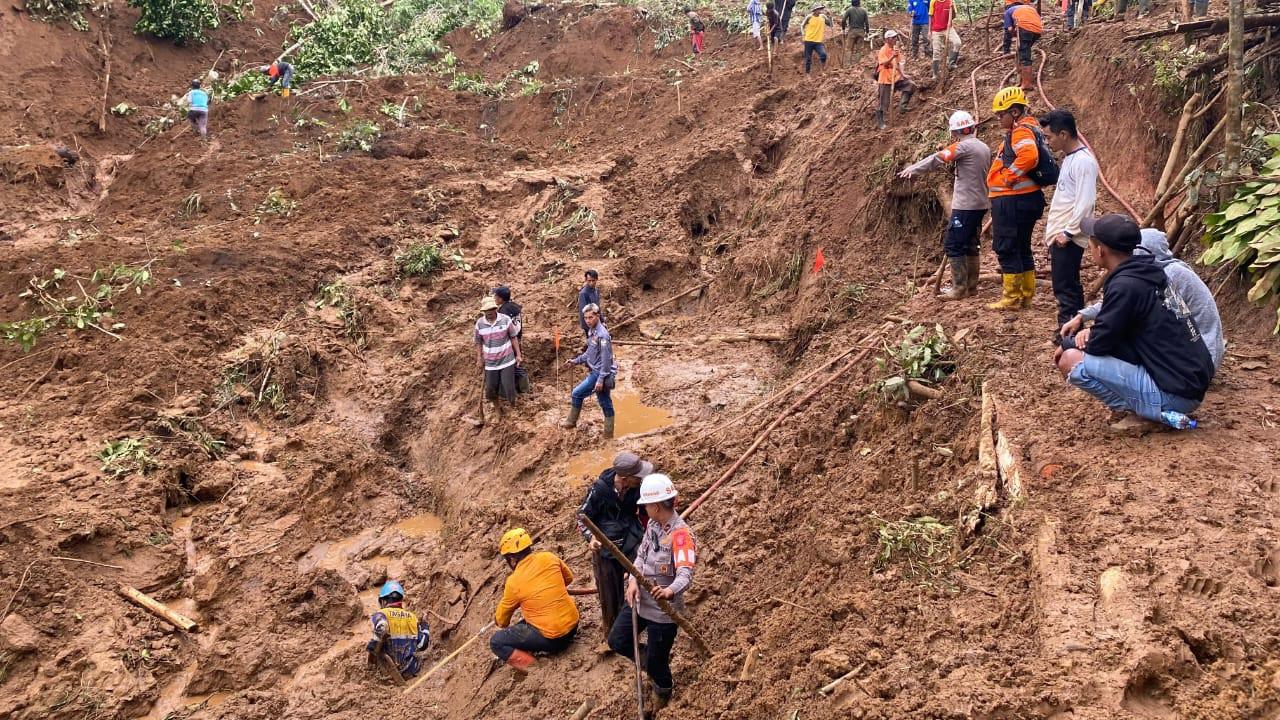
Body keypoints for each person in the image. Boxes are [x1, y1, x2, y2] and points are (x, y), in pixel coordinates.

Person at [1054, 214, 1214, 433]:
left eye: (1090, 245)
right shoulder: (1149, 272)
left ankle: (1152, 413)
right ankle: (1152, 405)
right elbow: (1115, 330)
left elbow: (1100, 344)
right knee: (1090, 347)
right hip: (1189, 383)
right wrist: (1093, 331)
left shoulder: (1126, 286)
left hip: (1177, 395)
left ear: (1100, 250)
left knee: (1069, 359)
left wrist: (1068, 343)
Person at [1066, 228, 1225, 371]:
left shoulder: (1170, 275)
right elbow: (1121, 303)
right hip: (1193, 353)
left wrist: (1095, 332)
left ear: (1144, 251)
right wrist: (1083, 315)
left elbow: (1126, 307)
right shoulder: (1161, 272)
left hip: (1201, 357)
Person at [607, 474, 697, 712]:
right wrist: (633, 580)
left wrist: (669, 591)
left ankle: (663, 689)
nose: (643, 509)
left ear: (656, 506)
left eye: (646, 505)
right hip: (640, 602)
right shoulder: (653, 526)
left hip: (663, 613)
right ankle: (651, 662)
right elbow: (641, 556)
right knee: (617, 640)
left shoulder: (681, 536)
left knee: (659, 666)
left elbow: (685, 575)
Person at [898, 110, 991, 299]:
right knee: (971, 244)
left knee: (954, 244)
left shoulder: (963, 147)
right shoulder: (983, 147)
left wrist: (914, 169)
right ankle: (971, 287)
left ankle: (959, 288)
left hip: (966, 205)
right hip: (980, 203)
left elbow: (938, 158)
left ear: (956, 132)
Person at [576, 451, 655, 634]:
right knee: (609, 593)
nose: (641, 479)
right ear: (626, 479)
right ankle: (612, 631)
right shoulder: (599, 490)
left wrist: (651, 534)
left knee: (646, 575)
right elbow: (582, 517)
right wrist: (591, 537)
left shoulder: (637, 488)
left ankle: (648, 618)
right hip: (605, 542)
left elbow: (646, 513)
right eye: (637, 477)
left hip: (631, 536)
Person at [986, 86, 1047, 311]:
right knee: (1022, 247)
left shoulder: (1021, 131)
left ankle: (1011, 298)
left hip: (1012, 201)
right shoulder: (1032, 129)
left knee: (1007, 247)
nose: (998, 119)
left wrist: (1009, 177)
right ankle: (1026, 295)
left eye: (1000, 114)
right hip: (1024, 200)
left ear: (1014, 112)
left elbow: (1029, 156)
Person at [1039, 109, 1098, 329]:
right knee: (1065, 285)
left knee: (1066, 288)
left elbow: (1086, 202)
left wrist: (1068, 232)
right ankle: (1071, 330)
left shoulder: (1083, 162)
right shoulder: (1070, 160)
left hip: (1069, 237)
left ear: (1063, 134)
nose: (1047, 142)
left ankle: (1068, 334)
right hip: (1061, 235)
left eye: (1049, 137)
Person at [491, 529, 580, 672]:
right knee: (525, 623)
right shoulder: (549, 557)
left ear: (511, 559)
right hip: (573, 625)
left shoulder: (513, 582)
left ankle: (536, 669)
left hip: (553, 639)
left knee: (497, 642)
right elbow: (568, 579)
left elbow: (502, 622)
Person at [563, 303, 618, 438]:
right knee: (605, 402)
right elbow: (589, 352)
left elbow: (606, 359)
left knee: (577, 393)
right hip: (596, 371)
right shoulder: (592, 331)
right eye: (586, 318)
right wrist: (576, 361)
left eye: (590, 317)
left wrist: (600, 379)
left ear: (597, 316)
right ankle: (608, 434)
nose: (588, 321)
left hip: (601, 373)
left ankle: (570, 422)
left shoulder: (602, 335)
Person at [365, 581, 431, 679]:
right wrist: (425, 626)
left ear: (383, 601)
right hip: (410, 671)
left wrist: (371, 655)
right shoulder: (413, 617)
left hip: (386, 673)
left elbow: (382, 627)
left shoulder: (381, 614)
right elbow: (422, 645)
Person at [475, 295, 523, 408]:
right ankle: (497, 409)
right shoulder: (479, 324)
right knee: (490, 389)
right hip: (490, 362)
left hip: (507, 360)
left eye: (491, 309)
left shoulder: (505, 320)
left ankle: (513, 406)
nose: (489, 312)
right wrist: (479, 358)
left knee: (508, 387)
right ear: (483, 311)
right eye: (487, 310)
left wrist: (518, 355)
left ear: (495, 309)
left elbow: (513, 337)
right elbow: (478, 342)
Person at [874, 30, 916, 130]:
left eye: (895, 37)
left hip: (895, 76)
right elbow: (884, 63)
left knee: (910, 85)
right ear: (887, 39)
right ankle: (880, 122)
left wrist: (903, 74)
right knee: (883, 101)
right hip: (885, 78)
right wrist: (892, 56)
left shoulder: (895, 49)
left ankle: (902, 106)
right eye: (893, 38)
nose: (895, 39)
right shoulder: (883, 50)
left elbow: (899, 63)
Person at [492, 286, 530, 393]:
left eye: (496, 296)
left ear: (500, 298)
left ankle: (524, 389)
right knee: (515, 364)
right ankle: (521, 388)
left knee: (513, 366)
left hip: (509, 342)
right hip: (517, 339)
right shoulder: (514, 307)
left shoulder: (503, 312)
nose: (494, 298)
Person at [1002, 0, 1042, 91]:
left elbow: (1009, 29)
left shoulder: (1008, 12)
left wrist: (1006, 50)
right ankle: (1023, 76)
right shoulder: (1029, 8)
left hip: (1025, 28)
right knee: (1025, 50)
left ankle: (1026, 84)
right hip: (1037, 29)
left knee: (1025, 56)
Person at [928, 0, 961, 79]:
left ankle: (951, 63)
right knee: (936, 52)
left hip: (948, 28)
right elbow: (930, 16)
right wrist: (929, 31)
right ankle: (935, 74)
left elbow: (953, 16)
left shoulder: (950, 1)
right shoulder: (933, 1)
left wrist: (952, 9)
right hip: (936, 30)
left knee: (957, 43)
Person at [801, 5, 832, 75]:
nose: (820, 10)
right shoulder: (809, 17)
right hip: (808, 40)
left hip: (818, 41)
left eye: (820, 9)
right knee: (808, 58)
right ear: (814, 10)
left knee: (823, 55)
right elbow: (802, 25)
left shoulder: (823, 17)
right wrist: (803, 34)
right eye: (818, 9)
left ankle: (822, 71)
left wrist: (830, 17)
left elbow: (831, 25)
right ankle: (808, 74)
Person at [840, 0, 870, 66]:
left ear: (852, 3)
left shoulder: (849, 10)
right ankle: (857, 65)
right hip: (861, 31)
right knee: (859, 50)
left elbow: (843, 20)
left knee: (849, 49)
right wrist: (867, 32)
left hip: (852, 31)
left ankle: (848, 65)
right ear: (859, 3)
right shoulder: (864, 10)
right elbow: (867, 23)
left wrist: (843, 28)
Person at [577, 269, 602, 336]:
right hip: (589, 324)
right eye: (589, 281)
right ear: (586, 280)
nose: (591, 283)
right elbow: (582, 312)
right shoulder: (583, 293)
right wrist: (588, 327)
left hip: (596, 322)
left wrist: (602, 321)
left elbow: (598, 308)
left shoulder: (596, 291)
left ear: (596, 279)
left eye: (593, 280)